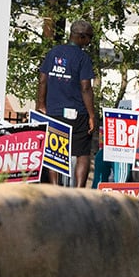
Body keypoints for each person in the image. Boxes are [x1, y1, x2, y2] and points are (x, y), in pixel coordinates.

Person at [38, 17, 100, 187]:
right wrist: (92, 115)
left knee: (54, 153)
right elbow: (86, 87)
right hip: (77, 113)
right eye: (89, 37)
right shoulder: (82, 57)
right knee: (82, 153)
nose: (89, 41)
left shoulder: (54, 52)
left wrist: (41, 105)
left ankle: (55, 189)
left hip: (54, 112)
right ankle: (79, 190)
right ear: (81, 37)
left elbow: (42, 80)